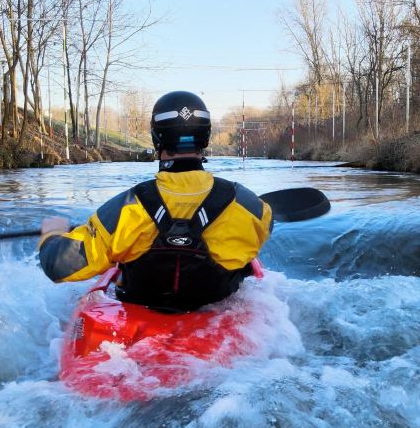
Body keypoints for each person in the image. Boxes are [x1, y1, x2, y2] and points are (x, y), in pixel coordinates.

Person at [38, 91, 273, 312]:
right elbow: (267, 225)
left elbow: (57, 266)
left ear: (156, 139)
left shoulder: (127, 208)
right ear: (206, 137)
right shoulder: (247, 206)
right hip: (216, 312)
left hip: (140, 316)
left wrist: (51, 236)